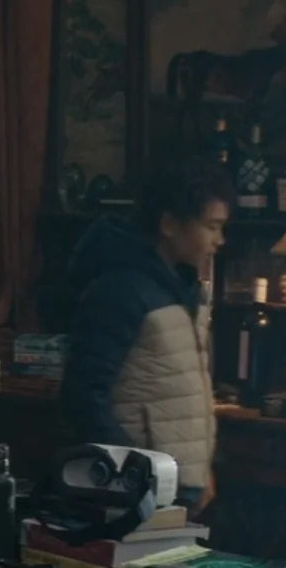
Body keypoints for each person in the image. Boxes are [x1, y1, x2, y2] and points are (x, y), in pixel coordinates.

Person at [61, 159, 231, 514]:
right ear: (169, 224)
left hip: (179, 482)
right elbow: (83, 394)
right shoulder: (120, 290)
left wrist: (200, 471)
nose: (219, 240)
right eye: (211, 227)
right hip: (136, 486)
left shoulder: (185, 288)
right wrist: (132, 471)